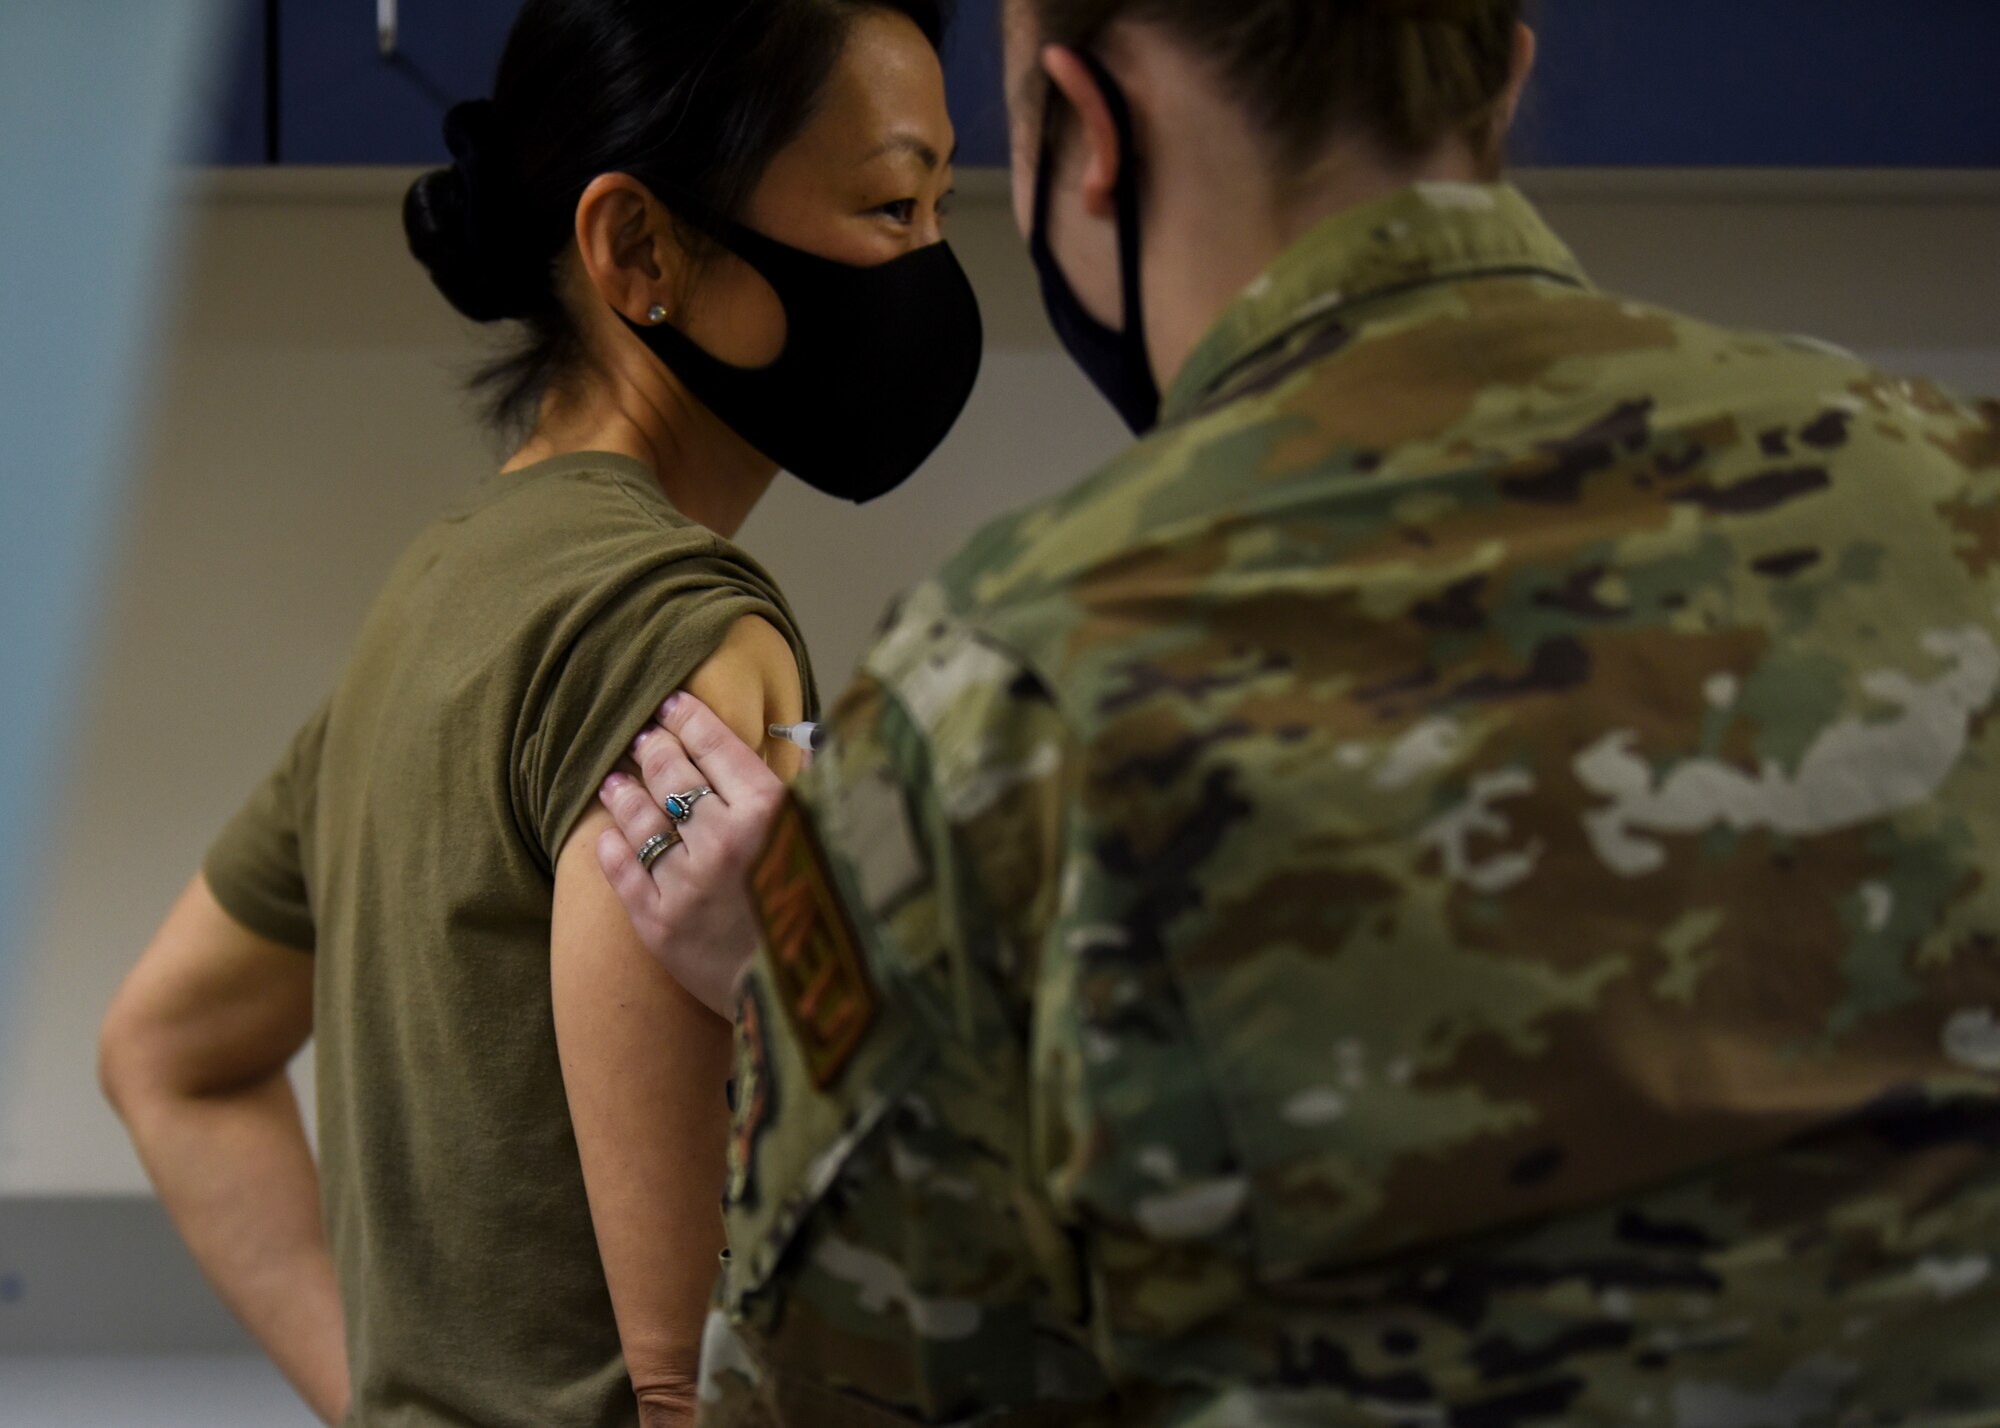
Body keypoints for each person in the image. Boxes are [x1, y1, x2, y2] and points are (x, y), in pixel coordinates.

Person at [594, 0, 2000, 1421]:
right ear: (1504, 76)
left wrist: (832, 990)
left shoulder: (1002, 708)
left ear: (1085, 132)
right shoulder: (1965, 501)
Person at [95, 1, 979, 1424]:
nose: (932, 266)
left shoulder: (433, 598)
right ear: (638, 249)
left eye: (943, 200)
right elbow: (683, 1385)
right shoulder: (683, 630)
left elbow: (163, 1054)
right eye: (889, 205)